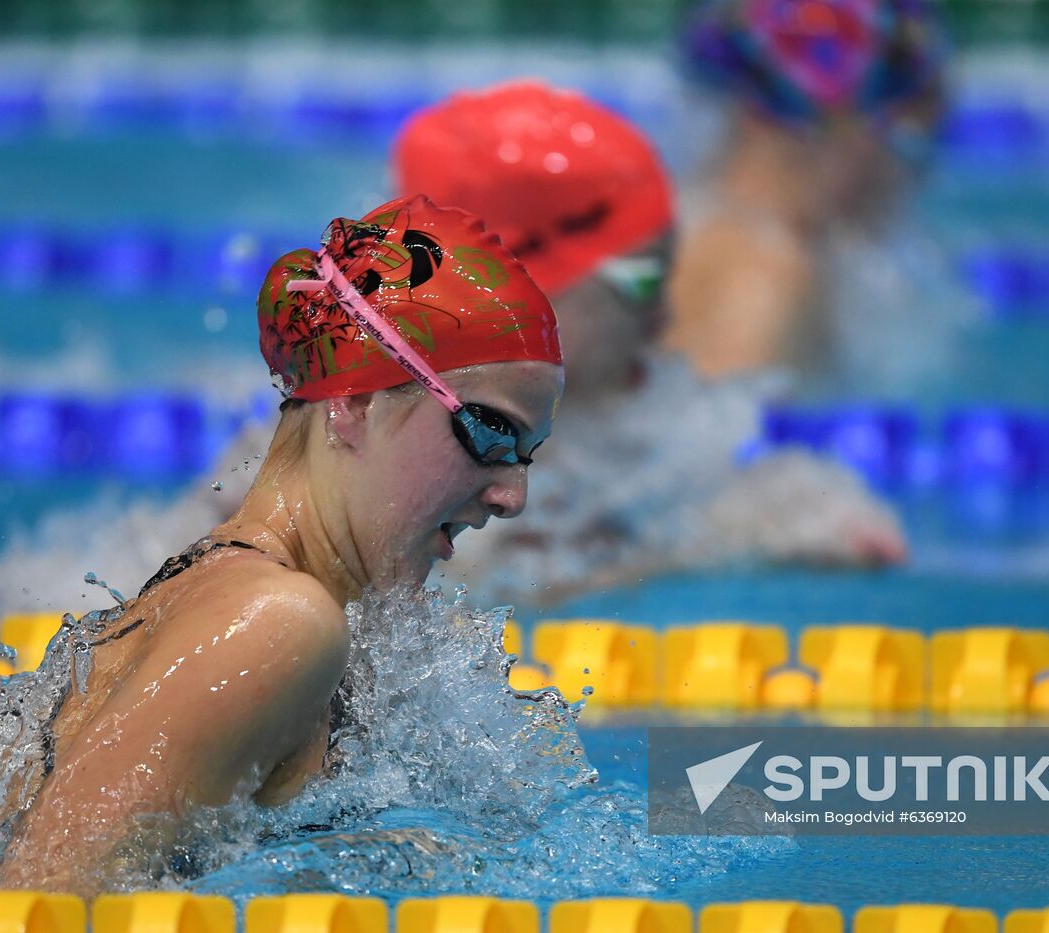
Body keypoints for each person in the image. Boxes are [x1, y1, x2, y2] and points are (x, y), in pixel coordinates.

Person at [0, 195, 564, 894]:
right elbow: (33, 904)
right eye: (490, 433)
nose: (513, 496)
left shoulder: (245, 594)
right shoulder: (275, 624)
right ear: (354, 400)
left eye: (526, 454)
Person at [394, 81, 905, 605]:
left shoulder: (593, 426)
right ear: (526, 286)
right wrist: (719, 546)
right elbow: (461, 605)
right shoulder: (410, 450)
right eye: (638, 282)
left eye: (666, 282)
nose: (662, 317)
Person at [666, 0, 947, 378]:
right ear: (844, 125)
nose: (907, 180)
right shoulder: (768, 274)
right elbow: (717, 433)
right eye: (909, 141)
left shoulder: (697, 219)